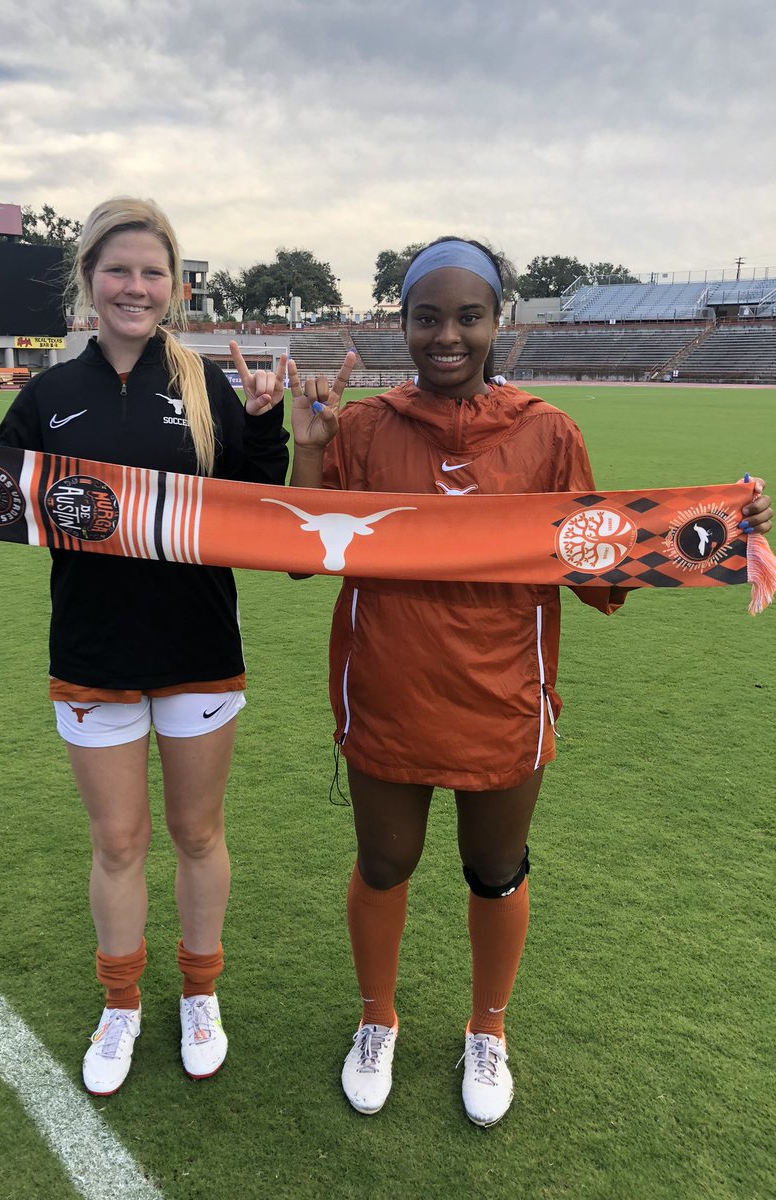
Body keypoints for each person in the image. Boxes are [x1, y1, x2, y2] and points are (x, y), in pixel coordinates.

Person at [285, 237, 773, 1126]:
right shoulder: (363, 426)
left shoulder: (547, 433)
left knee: (494, 868)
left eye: (467, 317)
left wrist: (714, 530)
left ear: (496, 322)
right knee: (386, 862)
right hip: (387, 692)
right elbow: (299, 555)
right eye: (427, 318)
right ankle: (376, 1019)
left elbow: (597, 575)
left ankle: (488, 1028)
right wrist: (310, 451)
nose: (447, 337)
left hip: (506, 697)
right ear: (401, 323)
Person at [0, 196, 290, 1096]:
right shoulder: (50, 394)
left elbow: (258, 515)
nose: (135, 287)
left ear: (175, 286)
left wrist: (264, 422)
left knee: (196, 832)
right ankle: (121, 1005)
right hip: (95, 654)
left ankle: (198, 992)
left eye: (152, 272)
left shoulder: (202, 387)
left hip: (196, 647)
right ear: (89, 282)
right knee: (116, 842)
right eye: (118, 270)